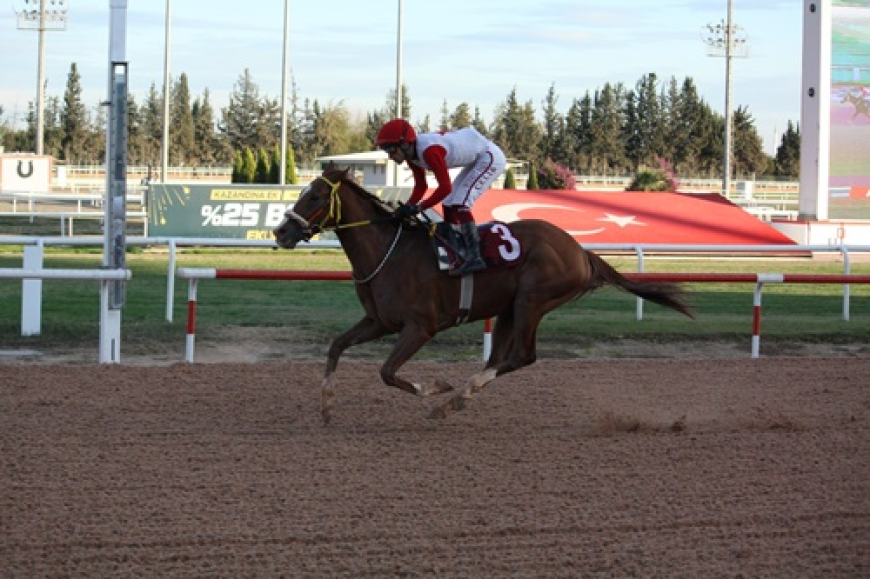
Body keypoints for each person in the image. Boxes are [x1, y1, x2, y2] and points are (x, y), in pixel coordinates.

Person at [375, 118, 507, 276]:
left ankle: (475, 257)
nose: (390, 157)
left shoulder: (429, 151)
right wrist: (408, 206)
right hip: (477, 157)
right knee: (448, 203)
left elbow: (445, 187)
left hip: (490, 156)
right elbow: (421, 186)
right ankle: (456, 252)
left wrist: (419, 207)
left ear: (404, 144)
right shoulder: (412, 155)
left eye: (391, 150)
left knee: (460, 203)